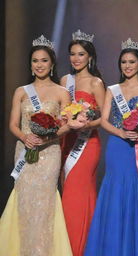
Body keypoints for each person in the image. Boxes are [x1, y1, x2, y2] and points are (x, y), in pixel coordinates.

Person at [84, 38, 138, 256]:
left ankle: (136, 248)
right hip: (118, 147)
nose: (127, 66)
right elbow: (103, 120)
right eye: (123, 62)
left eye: (131, 62)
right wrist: (120, 132)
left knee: (137, 190)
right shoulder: (112, 89)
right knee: (116, 190)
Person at [0, 35, 72, 256]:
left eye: (43, 60)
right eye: (35, 61)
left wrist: (47, 138)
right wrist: (25, 137)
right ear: (30, 65)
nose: (39, 65)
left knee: (44, 201)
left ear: (51, 64)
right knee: (24, 199)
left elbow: (67, 125)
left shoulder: (62, 93)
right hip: (25, 150)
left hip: (49, 154)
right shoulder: (21, 91)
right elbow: (13, 124)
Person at [61, 29, 105, 256]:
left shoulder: (96, 82)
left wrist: (86, 124)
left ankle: (82, 248)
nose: (76, 58)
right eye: (72, 54)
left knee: (78, 194)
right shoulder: (65, 81)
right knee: (67, 192)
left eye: (80, 54)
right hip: (67, 142)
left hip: (87, 145)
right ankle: (66, 246)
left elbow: (103, 118)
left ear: (89, 56)